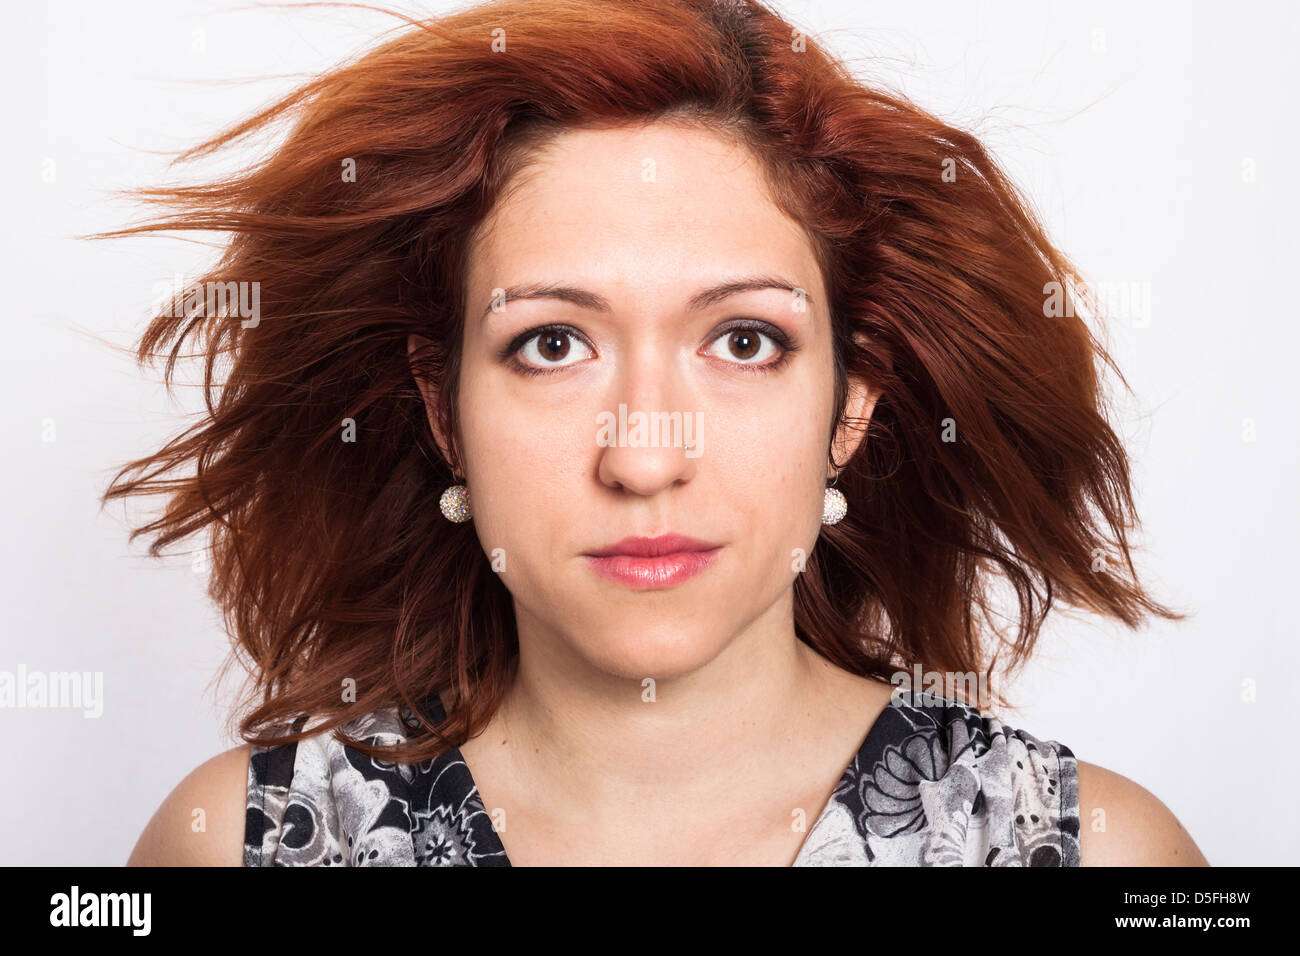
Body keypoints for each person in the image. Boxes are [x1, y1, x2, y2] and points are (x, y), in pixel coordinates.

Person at [113, 0, 1206, 866]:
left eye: (742, 341)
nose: (643, 456)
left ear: (852, 403)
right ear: (444, 411)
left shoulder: (1088, 850)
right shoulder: (240, 845)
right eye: (550, 343)